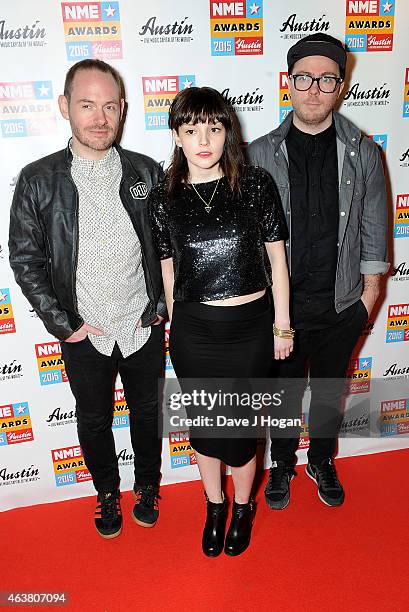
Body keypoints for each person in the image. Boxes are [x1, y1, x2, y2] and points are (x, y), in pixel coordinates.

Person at [9, 59, 166, 539]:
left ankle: (146, 487)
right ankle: (105, 494)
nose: (100, 117)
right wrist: (64, 324)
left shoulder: (146, 171)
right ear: (64, 108)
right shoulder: (38, 179)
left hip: (141, 323)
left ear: (122, 109)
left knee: (147, 414)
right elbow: (25, 259)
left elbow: (166, 248)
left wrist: (162, 308)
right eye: (86, 105)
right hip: (83, 330)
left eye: (109, 106)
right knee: (94, 419)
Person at [148, 86, 293, 557]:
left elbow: (277, 262)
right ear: (177, 135)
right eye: (191, 130)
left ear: (227, 131)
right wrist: (178, 324)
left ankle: (245, 505)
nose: (203, 139)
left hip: (251, 330)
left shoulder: (255, 184)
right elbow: (168, 268)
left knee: (241, 433)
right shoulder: (163, 197)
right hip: (194, 331)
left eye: (213, 127)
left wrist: (282, 326)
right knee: (206, 430)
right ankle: (215, 505)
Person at [248, 33, 388, 509]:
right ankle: (283, 464)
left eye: (326, 79)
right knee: (284, 394)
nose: (314, 88)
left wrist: (367, 301)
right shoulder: (257, 154)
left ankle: (322, 460)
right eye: (304, 77)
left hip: (340, 304)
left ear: (340, 87)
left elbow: (374, 231)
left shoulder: (364, 152)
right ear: (288, 84)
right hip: (280, 311)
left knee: (330, 391)